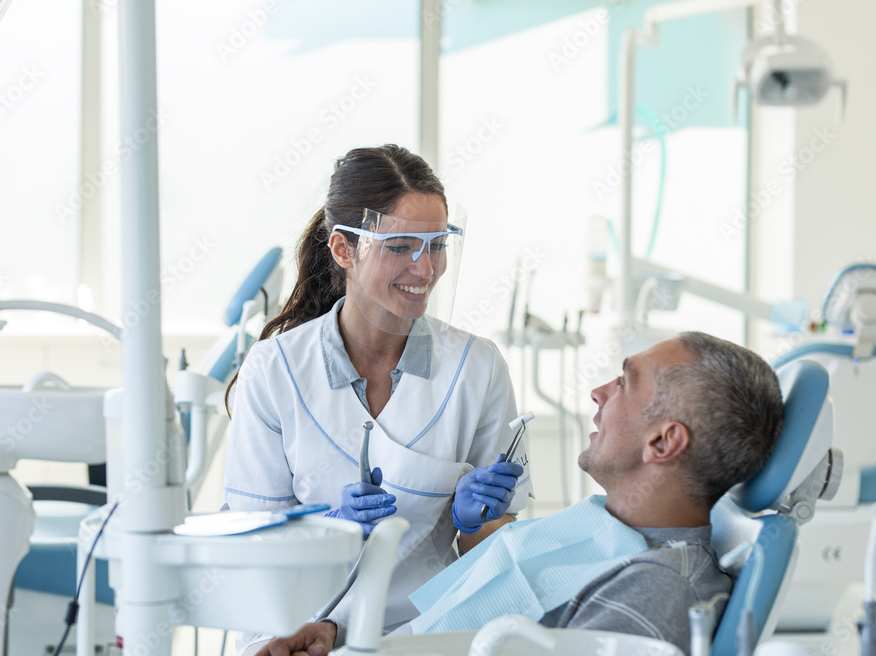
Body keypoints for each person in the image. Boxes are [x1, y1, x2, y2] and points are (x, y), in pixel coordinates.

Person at [254, 332, 785, 656]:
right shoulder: (609, 534)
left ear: (664, 441)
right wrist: (338, 638)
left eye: (624, 382)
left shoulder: (657, 590)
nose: (599, 393)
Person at [221, 145, 534, 654]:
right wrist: (326, 533)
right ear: (344, 250)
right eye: (401, 246)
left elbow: (489, 561)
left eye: (436, 244)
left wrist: (477, 522)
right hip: (298, 630)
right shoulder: (276, 370)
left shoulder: (476, 368)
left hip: (423, 634)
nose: (425, 268)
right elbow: (251, 551)